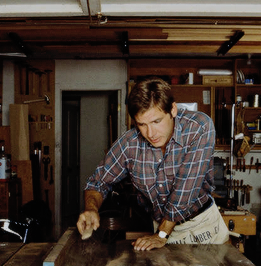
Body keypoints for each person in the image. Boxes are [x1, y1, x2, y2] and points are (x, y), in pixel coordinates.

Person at [76, 77, 229, 249]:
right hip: (161, 229)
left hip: (203, 224)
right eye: (142, 124)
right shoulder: (129, 144)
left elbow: (184, 191)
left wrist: (161, 235)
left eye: (156, 121)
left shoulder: (198, 127)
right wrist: (91, 209)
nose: (151, 133)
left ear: (172, 109)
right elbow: (97, 182)